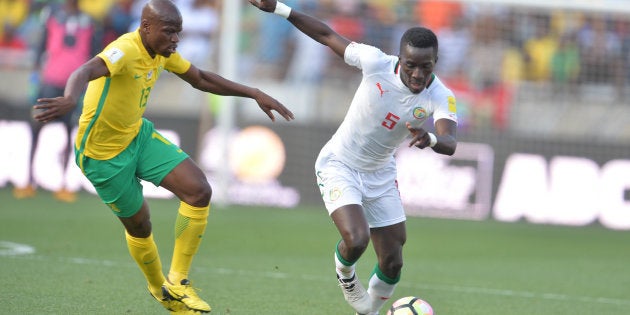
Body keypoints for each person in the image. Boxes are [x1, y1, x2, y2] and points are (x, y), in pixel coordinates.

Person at [33, 0, 294, 314]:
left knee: (199, 190)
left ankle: (178, 281)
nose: (175, 39)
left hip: (137, 137)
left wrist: (253, 92)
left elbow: (201, 79)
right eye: (169, 32)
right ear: (145, 28)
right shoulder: (126, 50)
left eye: (178, 33)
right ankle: (159, 288)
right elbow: (85, 69)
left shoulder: (161, 53)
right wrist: (68, 98)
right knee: (141, 226)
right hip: (102, 157)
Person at [250, 1, 458, 314]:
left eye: (426, 67)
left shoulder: (440, 95)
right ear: (400, 58)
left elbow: (449, 141)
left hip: (381, 172)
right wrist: (279, 9)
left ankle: (370, 311)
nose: (417, 74)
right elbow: (324, 34)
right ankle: (346, 276)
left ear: (435, 62)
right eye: (411, 65)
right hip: (340, 164)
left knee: (393, 260)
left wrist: (430, 138)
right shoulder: (375, 61)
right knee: (357, 239)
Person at [12, 0, 102, 202]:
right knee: (36, 128)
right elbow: (41, 46)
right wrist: (35, 78)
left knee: (70, 131)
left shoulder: (89, 22)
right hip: (50, 82)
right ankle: (27, 180)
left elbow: (95, 54)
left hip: (75, 85)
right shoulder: (52, 17)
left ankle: (63, 183)